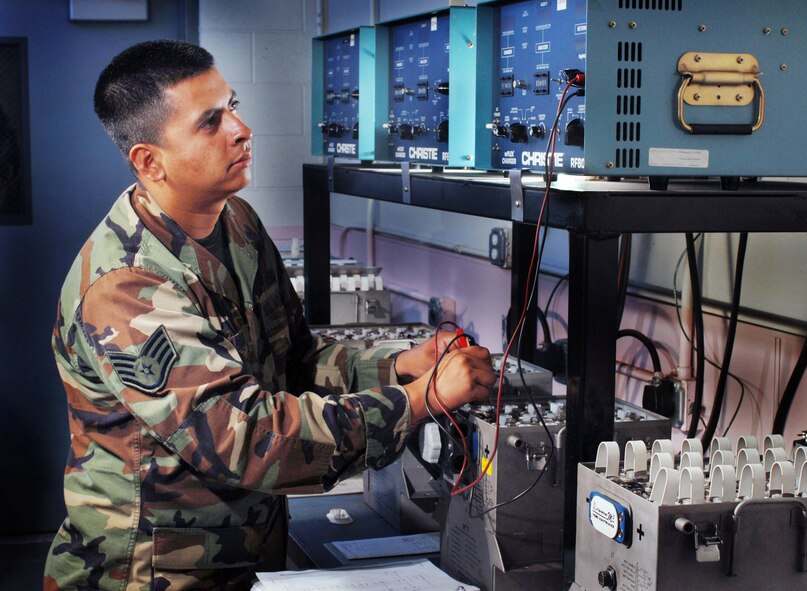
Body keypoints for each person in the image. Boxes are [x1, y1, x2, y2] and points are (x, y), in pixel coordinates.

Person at [45, 40, 495, 590]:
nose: (241, 128)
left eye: (232, 106)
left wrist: (401, 364)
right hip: (149, 573)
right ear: (149, 160)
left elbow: (294, 361)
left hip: (245, 554)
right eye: (211, 122)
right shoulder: (127, 285)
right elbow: (249, 437)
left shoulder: (238, 224)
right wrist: (422, 400)